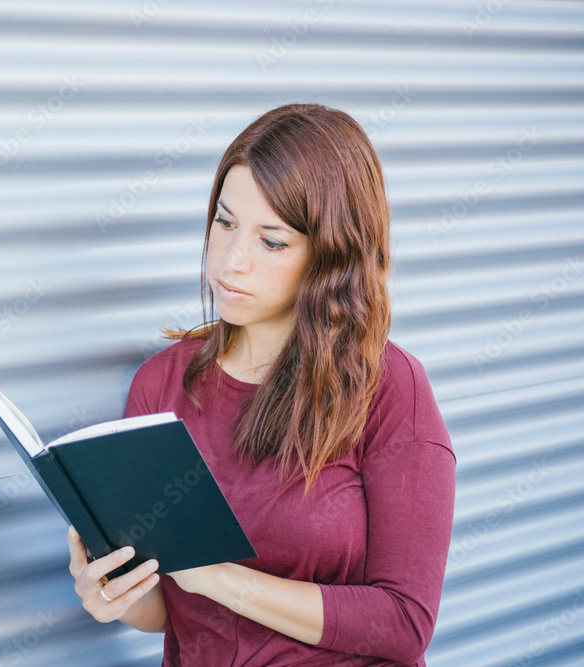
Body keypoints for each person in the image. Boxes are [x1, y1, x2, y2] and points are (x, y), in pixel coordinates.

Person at [67, 103, 456, 666]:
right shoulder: (162, 385)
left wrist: (220, 579)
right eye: (224, 223)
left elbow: (403, 622)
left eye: (271, 242)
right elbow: (168, 612)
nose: (230, 260)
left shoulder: (390, 387)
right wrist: (112, 595)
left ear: (330, 256)